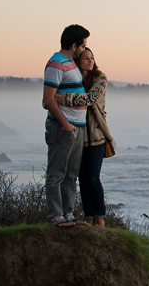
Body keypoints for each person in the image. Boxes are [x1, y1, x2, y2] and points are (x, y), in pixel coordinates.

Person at [56, 47, 112, 227]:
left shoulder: (100, 78)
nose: (90, 61)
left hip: (96, 136)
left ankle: (100, 216)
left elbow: (91, 98)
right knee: (81, 177)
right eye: (86, 58)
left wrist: (64, 99)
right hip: (77, 134)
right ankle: (89, 216)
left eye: (92, 58)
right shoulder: (73, 78)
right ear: (78, 60)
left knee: (93, 178)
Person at [42, 24, 90, 228]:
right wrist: (65, 124)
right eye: (83, 46)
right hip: (63, 129)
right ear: (74, 45)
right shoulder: (56, 64)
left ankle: (68, 215)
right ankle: (55, 217)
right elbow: (48, 99)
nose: (84, 49)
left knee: (71, 175)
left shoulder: (71, 65)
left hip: (77, 128)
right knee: (56, 174)